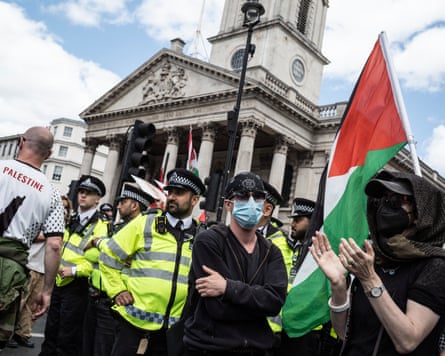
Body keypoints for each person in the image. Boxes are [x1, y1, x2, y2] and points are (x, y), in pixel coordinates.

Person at [310, 170, 445, 355]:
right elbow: (344, 333)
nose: (384, 207)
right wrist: (339, 286)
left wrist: (370, 280)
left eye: (396, 201)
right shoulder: (375, 260)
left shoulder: (435, 266)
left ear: (420, 214)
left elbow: (408, 341)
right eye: (382, 200)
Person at [99, 168, 205, 356]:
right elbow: (108, 256)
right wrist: (117, 290)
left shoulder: (201, 236)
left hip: (173, 331)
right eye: (170, 191)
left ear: (194, 200)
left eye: (179, 193)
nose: (172, 197)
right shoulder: (145, 223)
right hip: (133, 325)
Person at [183, 171, 288, 356]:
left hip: (255, 349)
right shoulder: (209, 242)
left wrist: (228, 287)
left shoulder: (272, 252)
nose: (251, 202)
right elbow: (218, 309)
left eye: (257, 197)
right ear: (229, 204)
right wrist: (257, 303)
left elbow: (274, 303)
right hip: (210, 348)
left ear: (265, 206)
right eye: (243, 196)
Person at [0, 126, 64, 352]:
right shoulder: (52, 192)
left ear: (20, 141)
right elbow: (54, 245)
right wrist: (46, 291)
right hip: (11, 269)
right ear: (49, 155)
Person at [40, 175, 109, 356]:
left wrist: (76, 270)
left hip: (77, 286)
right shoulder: (72, 219)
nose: (83, 196)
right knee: (51, 331)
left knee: (67, 337)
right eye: (81, 192)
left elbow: (97, 260)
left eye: (89, 193)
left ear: (98, 199)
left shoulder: (102, 226)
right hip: (59, 281)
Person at [83, 182, 153, 356]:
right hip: (98, 295)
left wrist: (98, 242)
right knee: (88, 347)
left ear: (135, 205)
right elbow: (92, 253)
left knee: (104, 349)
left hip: (117, 302)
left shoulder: (142, 233)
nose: (118, 205)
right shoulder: (117, 228)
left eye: (123, 202)